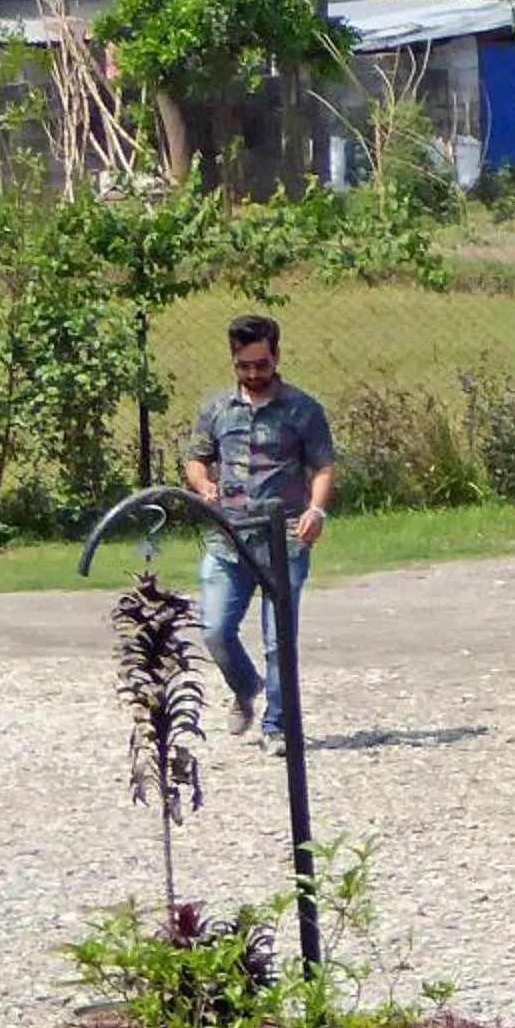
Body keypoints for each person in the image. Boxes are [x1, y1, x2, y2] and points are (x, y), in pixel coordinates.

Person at [183, 314, 337, 754]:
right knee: (214, 629)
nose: (253, 374)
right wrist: (203, 485)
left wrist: (316, 510)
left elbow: (323, 467)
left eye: (261, 365)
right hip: (228, 539)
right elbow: (196, 459)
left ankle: (278, 725)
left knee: (278, 642)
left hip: (284, 539)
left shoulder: (303, 410)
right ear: (233, 361)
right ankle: (245, 687)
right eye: (244, 366)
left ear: (277, 357)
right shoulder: (217, 409)